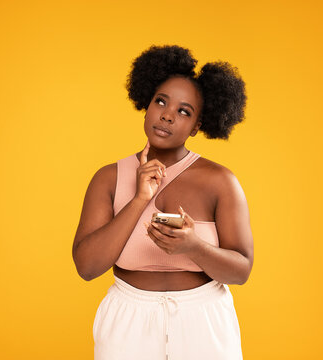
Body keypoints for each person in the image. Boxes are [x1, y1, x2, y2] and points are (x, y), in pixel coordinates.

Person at [72, 45, 254, 360]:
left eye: (184, 111)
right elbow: (87, 267)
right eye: (161, 101)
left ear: (198, 125)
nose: (168, 115)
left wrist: (194, 247)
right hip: (128, 323)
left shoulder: (221, 182)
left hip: (204, 322)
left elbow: (241, 271)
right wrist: (140, 199)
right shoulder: (108, 179)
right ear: (147, 104)